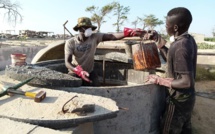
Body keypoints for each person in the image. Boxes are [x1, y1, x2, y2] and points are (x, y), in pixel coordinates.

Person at [144, 7, 197, 134]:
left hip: (177, 100)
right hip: (187, 98)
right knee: (185, 129)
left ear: (175, 28)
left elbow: (186, 82)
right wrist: (159, 41)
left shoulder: (180, 47)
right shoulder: (188, 40)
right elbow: (171, 58)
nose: (165, 26)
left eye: (167, 24)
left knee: (168, 130)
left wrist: (160, 80)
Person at [64, 17, 143, 86]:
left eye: (90, 27)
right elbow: (67, 62)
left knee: (96, 88)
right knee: (73, 88)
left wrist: (128, 33)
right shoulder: (71, 42)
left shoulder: (94, 37)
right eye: (86, 27)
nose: (89, 29)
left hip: (89, 72)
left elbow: (111, 36)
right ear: (80, 28)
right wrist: (79, 71)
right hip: (74, 72)